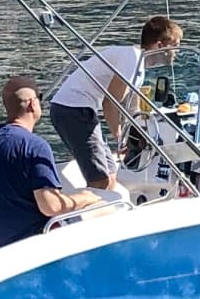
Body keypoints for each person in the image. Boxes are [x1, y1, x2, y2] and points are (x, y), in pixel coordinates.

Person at [0, 76, 101, 248]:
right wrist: (85, 197)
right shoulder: (35, 146)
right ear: (33, 104)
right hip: (26, 245)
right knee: (103, 208)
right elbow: (52, 207)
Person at [49, 15, 183, 190]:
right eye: (176, 46)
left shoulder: (137, 65)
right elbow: (110, 103)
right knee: (101, 180)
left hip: (81, 110)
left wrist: (139, 135)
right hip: (74, 109)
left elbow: (131, 108)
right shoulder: (132, 59)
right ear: (159, 45)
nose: (177, 52)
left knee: (111, 174)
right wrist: (120, 138)